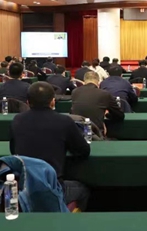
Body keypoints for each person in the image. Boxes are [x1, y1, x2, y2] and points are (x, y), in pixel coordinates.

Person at [10, 82, 91, 210]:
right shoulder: (64, 121)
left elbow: (13, 151)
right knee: (82, 190)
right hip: (53, 187)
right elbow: (83, 151)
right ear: (53, 101)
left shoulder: (17, 120)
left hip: (24, 188)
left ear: (28, 102)